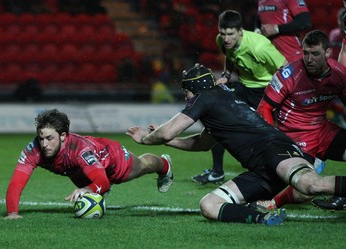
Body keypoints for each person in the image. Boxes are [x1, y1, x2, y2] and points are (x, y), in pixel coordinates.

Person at [126, 63, 346, 226]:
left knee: (309, 185)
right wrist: (169, 141)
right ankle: (263, 217)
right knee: (209, 205)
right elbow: (201, 144)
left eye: (186, 92)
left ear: (193, 88)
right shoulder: (220, 104)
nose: (187, 98)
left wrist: (145, 138)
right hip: (260, 171)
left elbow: (168, 131)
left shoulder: (205, 98)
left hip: (275, 151)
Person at [4, 109, 173, 219]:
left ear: (63, 136)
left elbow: (104, 182)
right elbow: (16, 182)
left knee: (144, 165)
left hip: (112, 158)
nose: (44, 144)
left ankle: (165, 165)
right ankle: (96, 188)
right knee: (79, 173)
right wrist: (12, 213)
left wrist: (87, 189)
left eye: (49, 138)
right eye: (41, 138)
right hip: (83, 169)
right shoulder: (33, 149)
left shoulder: (79, 150)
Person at [254, 30, 346, 211]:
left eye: (315, 54)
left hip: (323, 131)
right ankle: (275, 202)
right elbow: (264, 107)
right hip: (294, 139)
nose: (309, 59)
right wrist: (272, 139)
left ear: (328, 53)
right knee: (306, 190)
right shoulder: (288, 75)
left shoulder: (339, 73)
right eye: (306, 53)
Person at [191, 10, 286, 185]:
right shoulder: (222, 41)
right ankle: (217, 172)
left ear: (240, 31)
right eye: (223, 33)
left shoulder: (259, 46)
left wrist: (279, 95)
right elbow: (230, 56)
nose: (226, 38)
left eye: (230, 34)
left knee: (270, 137)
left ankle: (278, 175)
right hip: (244, 87)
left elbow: (285, 67)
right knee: (218, 123)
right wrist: (226, 76)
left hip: (266, 91)